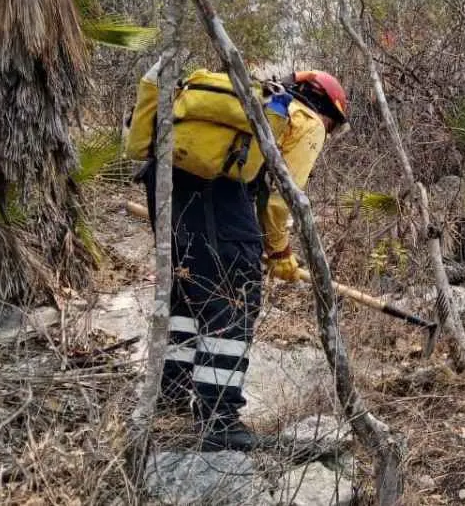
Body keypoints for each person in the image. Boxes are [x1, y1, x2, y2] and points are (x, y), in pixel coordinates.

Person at [125, 62, 349, 451]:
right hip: (217, 198)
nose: (326, 132)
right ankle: (219, 420)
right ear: (327, 110)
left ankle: (174, 394)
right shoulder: (306, 121)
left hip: (166, 187)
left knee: (188, 293)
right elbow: (281, 200)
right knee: (233, 301)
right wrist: (278, 251)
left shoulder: (254, 101)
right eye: (332, 126)